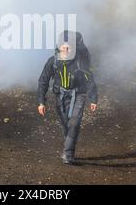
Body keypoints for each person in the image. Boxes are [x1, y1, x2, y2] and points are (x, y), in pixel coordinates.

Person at [36, 31, 98, 164]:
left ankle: (68, 154)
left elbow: (90, 79)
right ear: (59, 47)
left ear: (73, 48)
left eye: (69, 47)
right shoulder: (53, 61)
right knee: (65, 125)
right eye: (63, 47)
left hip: (79, 94)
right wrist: (41, 101)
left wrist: (93, 98)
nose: (66, 49)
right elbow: (43, 81)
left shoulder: (80, 61)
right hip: (60, 95)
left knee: (74, 123)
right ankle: (69, 142)